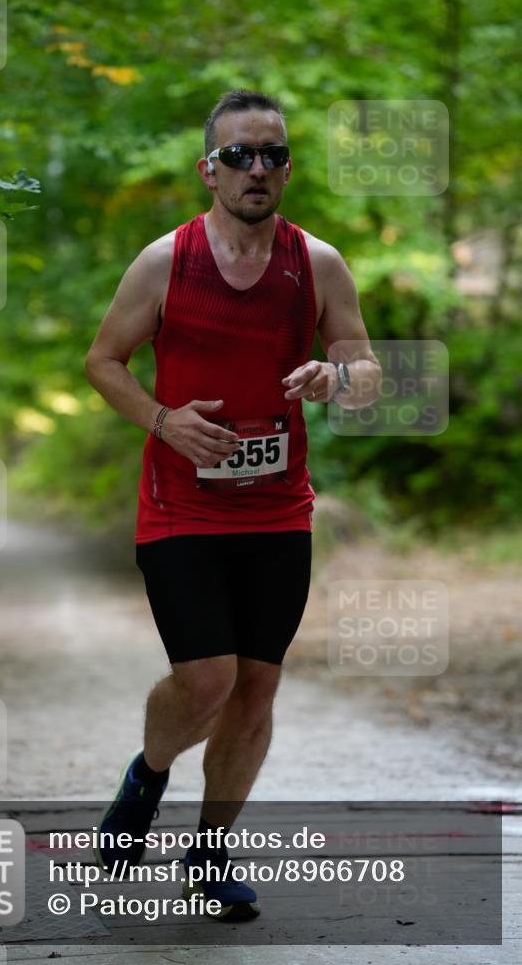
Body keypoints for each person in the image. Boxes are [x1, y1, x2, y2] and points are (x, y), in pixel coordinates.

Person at [84, 89, 381, 921]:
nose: (258, 169)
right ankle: (146, 775)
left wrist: (337, 377)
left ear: (287, 168)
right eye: (240, 155)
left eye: (273, 155)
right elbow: (103, 361)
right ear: (207, 168)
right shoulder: (163, 262)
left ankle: (209, 856)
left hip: (278, 511)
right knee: (206, 679)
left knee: (255, 689)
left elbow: (364, 368)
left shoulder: (316, 263)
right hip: (180, 507)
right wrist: (161, 421)